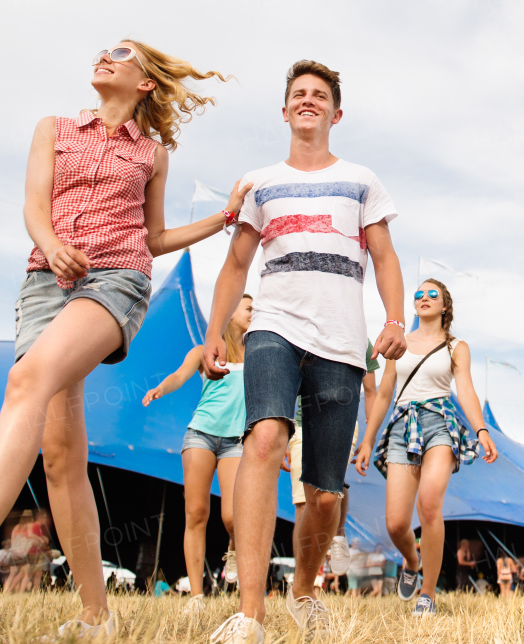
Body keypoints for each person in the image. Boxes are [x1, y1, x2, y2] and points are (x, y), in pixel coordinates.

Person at [0, 40, 248, 635]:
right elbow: (35, 206)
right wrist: (53, 245)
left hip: (115, 283)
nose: (103, 57)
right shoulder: (53, 128)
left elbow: (153, 238)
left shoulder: (152, 155)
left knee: (25, 380)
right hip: (44, 283)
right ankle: (96, 615)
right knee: (61, 457)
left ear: (145, 84)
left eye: (121, 53)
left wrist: (224, 217)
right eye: (103, 50)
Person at [203, 61, 407, 644]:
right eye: (299, 94)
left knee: (323, 495)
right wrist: (218, 330)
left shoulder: (362, 181)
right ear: (286, 109)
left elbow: (386, 258)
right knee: (264, 439)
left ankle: (304, 589)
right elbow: (237, 264)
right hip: (273, 328)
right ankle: (250, 614)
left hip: (341, 342)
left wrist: (393, 319)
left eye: (320, 96)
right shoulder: (260, 183)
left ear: (335, 114)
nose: (309, 101)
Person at [355, 278, 499, 616]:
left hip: (440, 423)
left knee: (430, 503)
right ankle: (411, 559)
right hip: (403, 425)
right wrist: (367, 439)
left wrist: (480, 429)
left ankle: (428, 593)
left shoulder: (455, 346)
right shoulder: (399, 343)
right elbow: (386, 392)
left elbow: (465, 390)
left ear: (444, 306)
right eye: (418, 294)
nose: (423, 298)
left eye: (432, 294)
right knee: (395, 523)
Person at [142, 293, 254, 613]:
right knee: (196, 514)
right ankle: (196, 596)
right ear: (230, 313)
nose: (252, 313)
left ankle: (233, 547)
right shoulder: (205, 352)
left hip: (235, 440)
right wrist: (160, 389)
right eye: (248, 308)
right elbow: (180, 375)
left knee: (232, 516)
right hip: (201, 435)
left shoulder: (256, 354)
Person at [283, 342, 380, 585]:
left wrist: (369, 439)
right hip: (301, 425)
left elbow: (370, 393)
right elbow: (284, 387)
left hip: (343, 423)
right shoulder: (302, 328)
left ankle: (338, 533)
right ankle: (303, 579)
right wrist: (281, 437)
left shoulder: (360, 338)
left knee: (330, 490)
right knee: (303, 503)